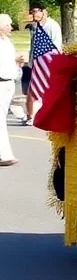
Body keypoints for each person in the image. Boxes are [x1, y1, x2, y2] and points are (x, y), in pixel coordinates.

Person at [23, 2, 62, 125]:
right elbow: (34, 46)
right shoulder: (35, 26)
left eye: (36, 11)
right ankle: (31, 116)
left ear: (44, 11)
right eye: (32, 12)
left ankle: (43, 115)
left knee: (45, 91)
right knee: (31, 91)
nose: (34, 14)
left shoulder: (52, 25)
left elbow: (56, 46)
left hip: (48, 64)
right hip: (35, 63)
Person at [0, 14, 19, 166]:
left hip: (8, 83)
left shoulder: (7, 42)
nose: (11, 27)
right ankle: (4, 155)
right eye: (8, 25)